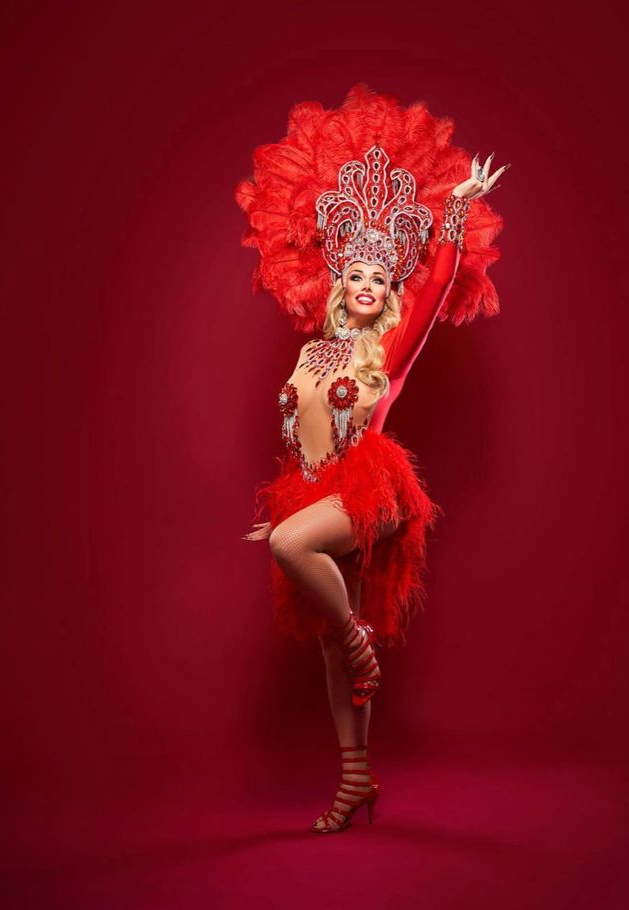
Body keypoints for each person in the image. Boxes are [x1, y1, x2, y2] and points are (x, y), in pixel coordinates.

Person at [237, 91, 509, 833]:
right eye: (355, 275)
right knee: (328, 637)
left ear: (389, 295)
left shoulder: (387, 350)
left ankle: (362, 648)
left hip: (371, 492)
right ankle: (356, 778)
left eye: (379, 281)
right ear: (338, 284)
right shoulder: (310, 350)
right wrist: (288, 512)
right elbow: (298, 435)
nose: (365, 286)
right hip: (317, 494)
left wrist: (454, 210)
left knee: (338, 625)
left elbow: (440, 282)